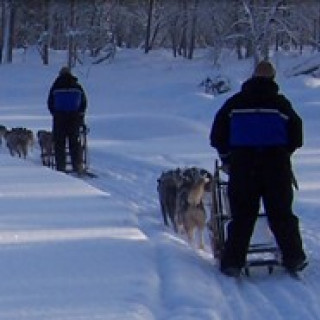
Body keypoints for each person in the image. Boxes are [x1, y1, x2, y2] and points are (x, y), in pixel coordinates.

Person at [210, 61, 307, 277]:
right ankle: (294, 257)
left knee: (242, 215)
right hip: (276, 165)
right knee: (281, 213)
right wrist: (284, 152)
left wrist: (227, 157)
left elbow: (217, 134)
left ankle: (233, 261)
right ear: (273, 79)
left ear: (252, 77)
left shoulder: (235, 103)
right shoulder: (281, 105)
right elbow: (297, 135)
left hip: (243, 165)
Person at [47, 66, 87, 174]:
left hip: (60, 117)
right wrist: (80, 115)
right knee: (74, 142)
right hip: (74, 117)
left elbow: (50, 102)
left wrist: (55, 113)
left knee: (59, 143)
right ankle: (77, 165)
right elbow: (83, 102)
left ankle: (61, 167)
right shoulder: (77, 86)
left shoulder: (56, 86)